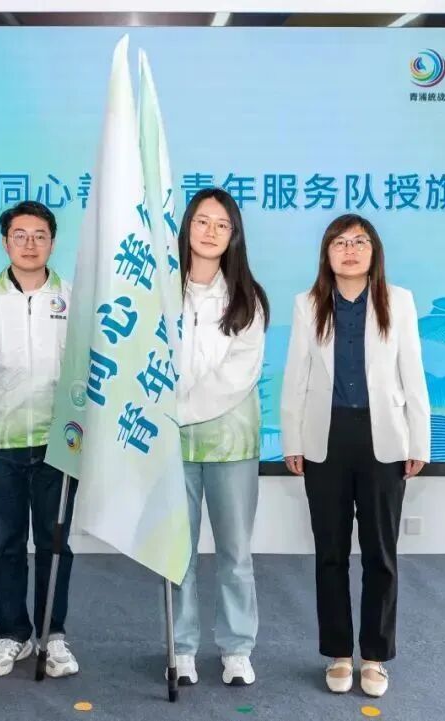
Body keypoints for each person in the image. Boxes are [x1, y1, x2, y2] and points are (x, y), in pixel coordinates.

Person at [280, 213, 430, 698]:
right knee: (331, 553)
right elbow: (296, 376)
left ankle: (376, 657)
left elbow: (413, 373)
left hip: (383, 438)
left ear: (374, 252)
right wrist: (292, 441)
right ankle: (340, 654)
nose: (350, 250)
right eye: (340, 242)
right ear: (326, 253)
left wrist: (419, 441)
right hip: (325, 438)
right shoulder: (308, 304)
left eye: (359, 242)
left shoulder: (398, 301)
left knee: (381, 554)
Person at [0, 200, 79, 678]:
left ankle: (53, 635)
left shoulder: (74, 298)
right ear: (5, 243)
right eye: (19, 235)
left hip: (59, 445)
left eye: (39, 235)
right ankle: (13, 635)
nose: (30, 244)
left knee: (54, 543)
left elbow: (90, 372)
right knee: (6, 544)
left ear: (52, 243)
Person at [169, 188, 269, 687]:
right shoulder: (159, 292)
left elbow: (237, 376)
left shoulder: (248, 297)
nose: (210, 232)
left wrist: (177, 411)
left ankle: (236, 648)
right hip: (170, 448)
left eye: (222, 224)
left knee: (235, 551)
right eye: (202, 221)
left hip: (231, 443)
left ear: (234, 236)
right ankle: (182, 646)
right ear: (187, 226)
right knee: (176, 553)